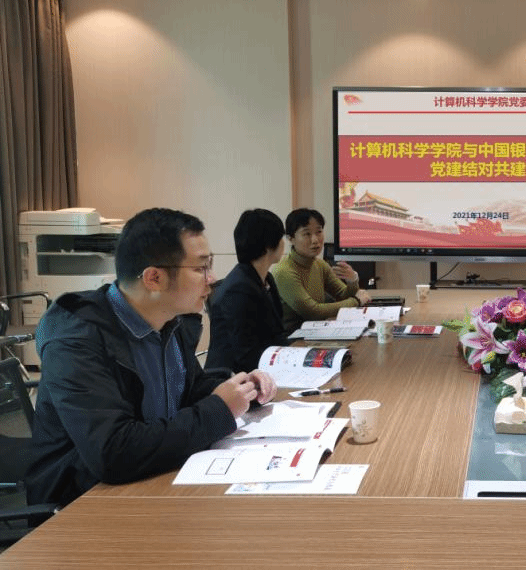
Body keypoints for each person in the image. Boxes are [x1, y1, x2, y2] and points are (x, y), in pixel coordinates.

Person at [27, 208, 277, 507]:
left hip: (151, 480)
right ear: (154, 278)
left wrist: (239, 389)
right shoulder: (77, 341)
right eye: (201, 268)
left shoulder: (169, 321)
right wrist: (219, 410)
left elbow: (187, 389)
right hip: (81, 503)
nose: (211, 279)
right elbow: (113, 452)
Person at [208, 208, 292, 373]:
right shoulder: (238, 290)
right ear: (268, 246)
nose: (284, 244)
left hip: (266, 367)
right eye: (281, 238)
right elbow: (245, 355)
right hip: (234, 377)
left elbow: (277, 334)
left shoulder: (266, 278)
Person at [273, 208, 372, 332]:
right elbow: (313, 312)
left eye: (319, 232)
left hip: (317, 330)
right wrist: (356, 301)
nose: (315, 240)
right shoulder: (284, 271)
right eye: (307, 234)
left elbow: (342, 296)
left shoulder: (319, 264)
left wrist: (352, 280)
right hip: (293, 337)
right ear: (290, 238)